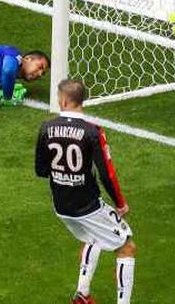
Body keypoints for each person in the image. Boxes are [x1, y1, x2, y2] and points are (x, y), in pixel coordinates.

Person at [35, 79, 136, 304]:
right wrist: (120, 203)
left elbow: (41, 170)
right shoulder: (92, 131)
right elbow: (107, 174)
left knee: (92, 237)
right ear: (82, 100)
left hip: (61, 206)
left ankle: (82, 295)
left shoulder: (45, 128)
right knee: (126, 247)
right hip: (88, 206)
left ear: (63, 101)